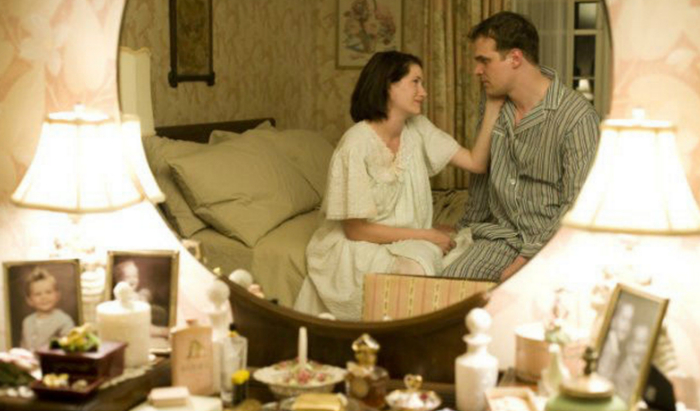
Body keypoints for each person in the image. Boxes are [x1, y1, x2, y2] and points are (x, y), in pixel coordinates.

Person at [294, 50, 504, 320]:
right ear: (388, 86)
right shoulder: (355, 145)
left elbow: (476, 162)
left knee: (469, 245)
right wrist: (427, 234)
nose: (423, 92)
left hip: (400, 239)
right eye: (415, 82)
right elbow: (355, 230)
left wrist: (493, 107)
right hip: (355, 245)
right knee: (417, 268)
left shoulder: (418, 128)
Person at [442, 11, 600, 282]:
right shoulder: (493, 103)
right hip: (500, 239)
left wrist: (526, 258)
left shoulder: (577, 117)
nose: (476, 70)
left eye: (484, 61)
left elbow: (576, 204)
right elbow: (482, 178)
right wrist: (463, 231)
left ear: (515, 58)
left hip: (552, 243)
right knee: (450, 286)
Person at [21, 267, 75, 350]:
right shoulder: (27, 322)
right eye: (38, 294)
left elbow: (69, 346)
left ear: (57, 295)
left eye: (48, 292)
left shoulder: (64, 321)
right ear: (29, 300)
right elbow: (24, 348)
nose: (44, 297)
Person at [113, 259, 168, 328]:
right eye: (127, 277)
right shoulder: (121, 296)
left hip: (142, 320)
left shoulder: (139, 293)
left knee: (160, 312)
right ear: (119, 280)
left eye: (135, 276)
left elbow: (144, 298)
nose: (132, 280)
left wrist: (144, 296)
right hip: (132, 324)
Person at [597, 302, 635, 378]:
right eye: (623, 319)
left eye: (630, 321)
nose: (626, 325)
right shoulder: (609, 346)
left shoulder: (616, 347)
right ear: (614, 319)